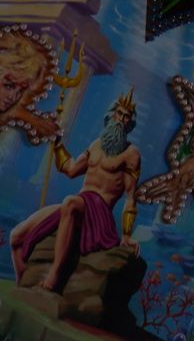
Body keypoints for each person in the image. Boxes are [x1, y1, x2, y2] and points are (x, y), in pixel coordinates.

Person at [9, 90, 141, 291]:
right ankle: (22, 285)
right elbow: (70, 169)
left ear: (130, 123)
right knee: (16, 237)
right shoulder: (96, 145)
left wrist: (127, 234)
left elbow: (131, 198)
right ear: (111, 115)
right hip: (79, 203)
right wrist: (56, 142)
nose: (121, 119)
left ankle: (55, 275)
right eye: (119, 114)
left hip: (99, 213)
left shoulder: (131, 154)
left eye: (126, 117)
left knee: (69, 202)